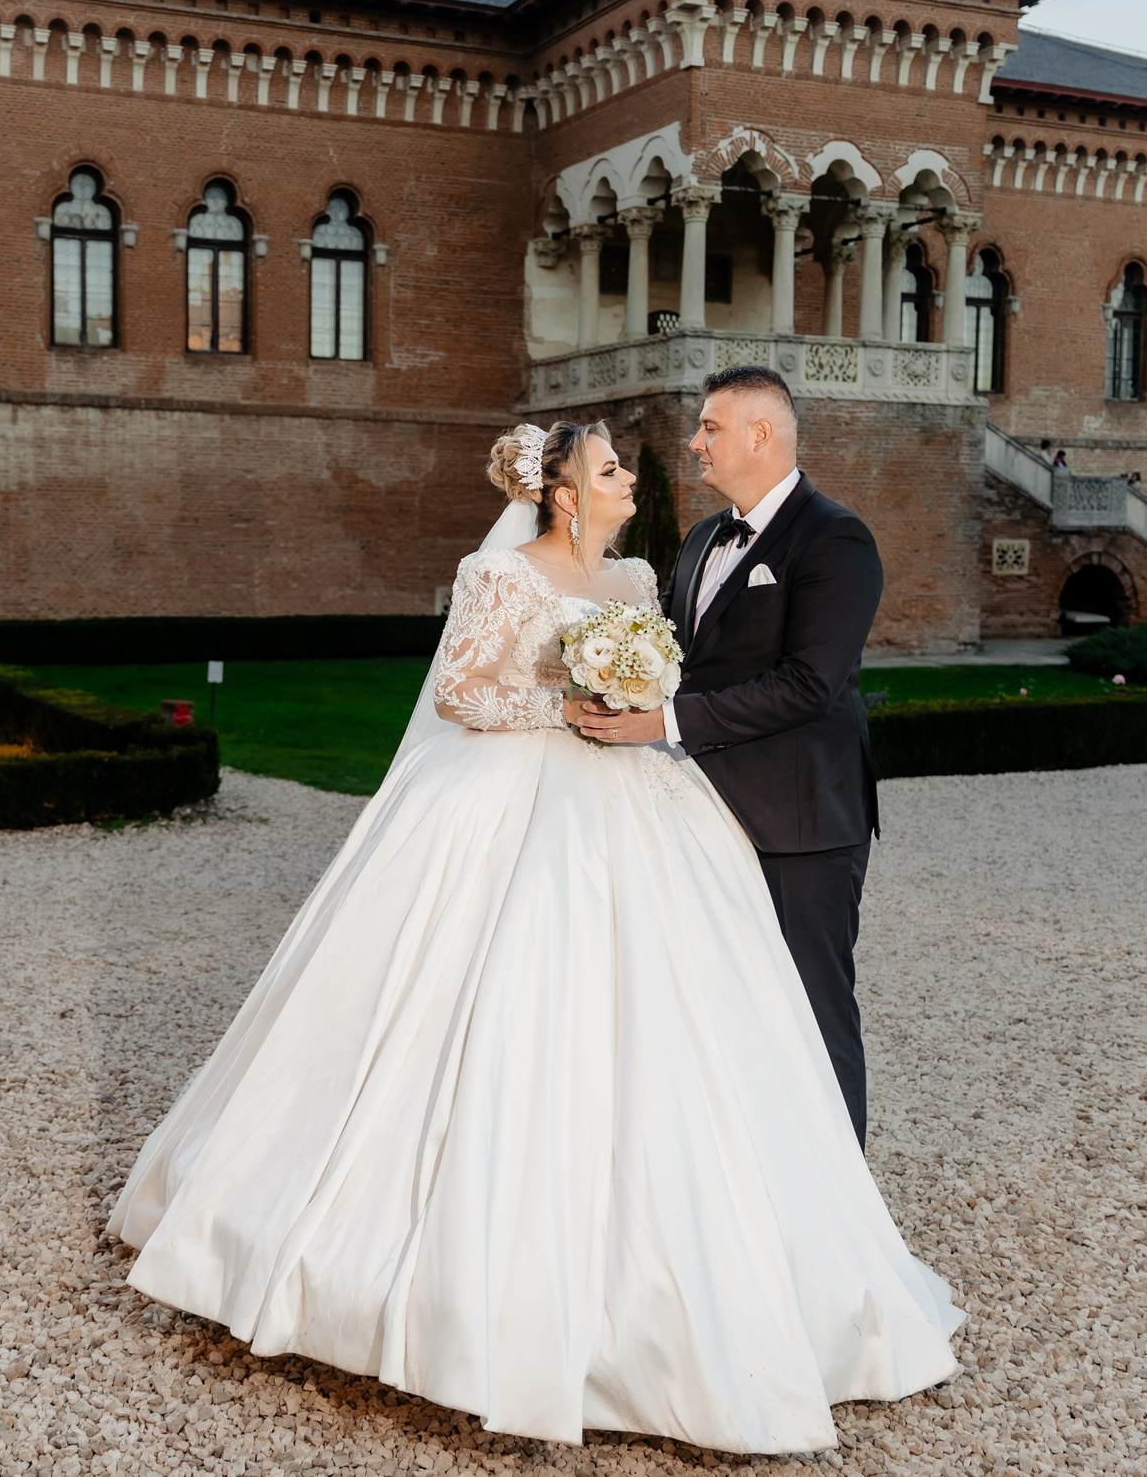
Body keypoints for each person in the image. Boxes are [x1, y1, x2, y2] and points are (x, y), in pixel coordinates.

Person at [108, 414, 962, 1454]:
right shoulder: (499, 575)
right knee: (495, 1002)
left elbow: (693, 682)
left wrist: (637, 696)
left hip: (644, 805)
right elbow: (463, 691)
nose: (634, 477)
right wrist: (572, 699)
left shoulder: (643, 579)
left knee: (692, 1016)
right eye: (611, 469)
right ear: (561, 491)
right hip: (511, 801)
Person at [575, 366, 881, 1149]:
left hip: (799, 824)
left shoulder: (835, 536)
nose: (695, 441)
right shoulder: (705, 537)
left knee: (812, 1010)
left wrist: (665, 721)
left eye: (709, 427)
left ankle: (843, 1209)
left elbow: (810, 684)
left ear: (760, 435)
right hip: (697, 819)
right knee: (725, 1014)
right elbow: (674, 659)